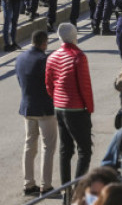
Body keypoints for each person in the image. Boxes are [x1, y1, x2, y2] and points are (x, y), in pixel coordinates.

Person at [45, 23, 93, 185]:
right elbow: (84, 86)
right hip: (76, 107)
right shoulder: (78, 56)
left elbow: (49, 84)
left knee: (65, 149)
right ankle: (77, 190)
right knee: (84, 150)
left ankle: (66, 190)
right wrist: (89, 108)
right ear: (74, 36)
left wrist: (56, 98)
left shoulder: (52, 56)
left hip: (59, 106)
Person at [16, 30, 57, 196]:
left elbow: (20, 81)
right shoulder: (45, 60)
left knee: (29, 145)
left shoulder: (20, 58)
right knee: (48, 147)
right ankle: (45, 185)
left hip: (27, 106)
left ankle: (28, 183)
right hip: (45, 109)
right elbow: (53, 83)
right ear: (44, 43)